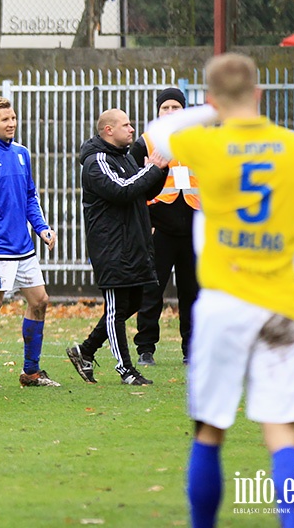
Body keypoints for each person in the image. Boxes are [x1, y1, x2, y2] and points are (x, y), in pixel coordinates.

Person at [145, 53, 294, 528]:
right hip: (278, 304)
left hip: (222, 303)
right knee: (282, 432)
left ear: (212, 99)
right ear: (260, 94)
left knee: (210, 430)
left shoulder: (206, 144)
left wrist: (214, 110)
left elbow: (156, 133)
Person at [66, 108, 168, 386]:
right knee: (115, 308)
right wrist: (150, 170)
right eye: (126, 125)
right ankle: (126, 370)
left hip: (133, 245)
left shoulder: (123, 158)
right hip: (111, 248)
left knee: (133, 302)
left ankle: (85, 351)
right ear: (108, 130)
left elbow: (142, 192)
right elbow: (121, 190)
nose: (132, 129)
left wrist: (158, 172)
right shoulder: (96, 161)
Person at [0, 96, 59, 388]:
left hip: (24, 248)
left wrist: (42, 228)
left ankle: (31, 372)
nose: (12, 123)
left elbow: (30, 196)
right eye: (5, 120)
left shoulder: (22, 153)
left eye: (14, 118)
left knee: (40, 301)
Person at [129, 88, 199, 366]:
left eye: (176, 107)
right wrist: (145, 224)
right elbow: (132, 186)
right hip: (159, 229)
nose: (170, 112)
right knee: (151, 291)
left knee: (192, 292)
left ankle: (191, 348)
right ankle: (146, 348)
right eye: (165, 108)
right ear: (158, 112)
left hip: (193, 226)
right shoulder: (145, 143)